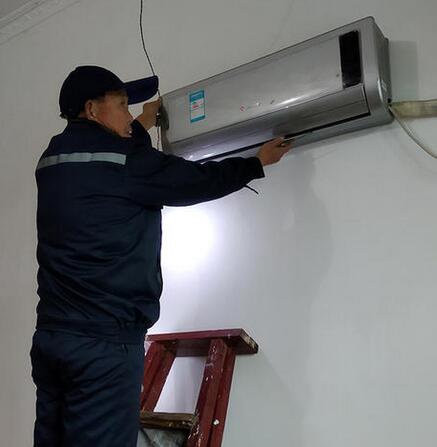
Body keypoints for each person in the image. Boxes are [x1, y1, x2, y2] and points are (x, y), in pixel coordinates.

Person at [30, 65, 290, 447]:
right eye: (122, 105)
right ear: (92, 109)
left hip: (53, 339)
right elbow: (194, 180)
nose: (129, 116)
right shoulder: (127, 163)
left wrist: (139, 124)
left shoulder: (52, 159)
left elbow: (112, 159)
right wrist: (255, 163)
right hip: (104, 345)